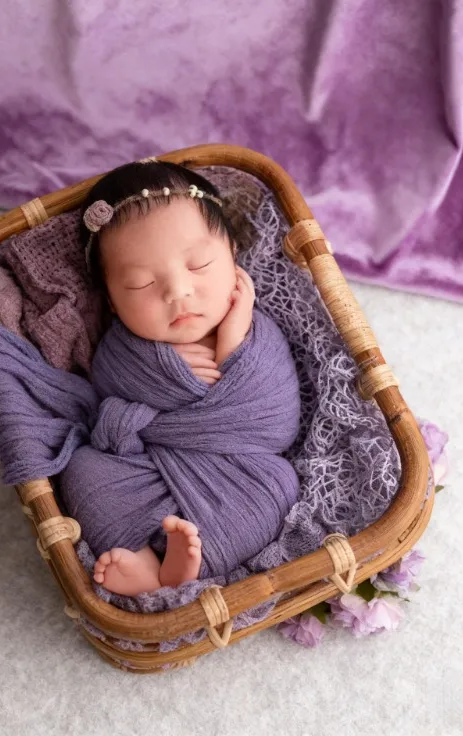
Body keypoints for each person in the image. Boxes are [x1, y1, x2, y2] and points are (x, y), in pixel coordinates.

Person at [57, 159, 300, 595]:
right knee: (83, 472)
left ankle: (173, 565)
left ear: (233, 257)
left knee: (280, 486)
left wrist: (233, 343)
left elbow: (276, 424)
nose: (177, 291)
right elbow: (109, 417)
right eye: (139, 284)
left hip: (237, 476)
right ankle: (151, 562)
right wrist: (145, 406)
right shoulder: (121, 350)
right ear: (112, 303)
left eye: (200, 265)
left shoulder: (256, 332)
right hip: (147, 473)